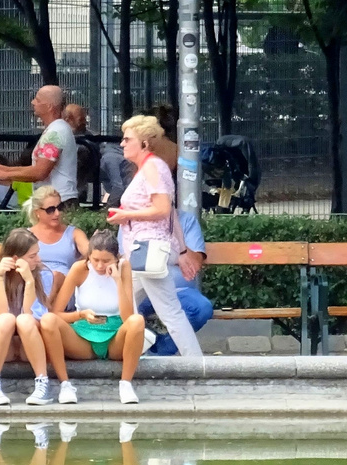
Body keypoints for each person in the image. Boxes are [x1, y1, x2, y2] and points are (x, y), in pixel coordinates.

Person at [107, 114, 203, 358]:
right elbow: (169, 213)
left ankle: (197, 365)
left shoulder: (152, 168)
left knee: (168, 312)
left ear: (144, 144)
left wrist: (126, 214)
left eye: (127, 139)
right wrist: (181, 251)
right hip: (143, 251)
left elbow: (161, 210)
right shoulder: (151, 168)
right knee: (118, 305)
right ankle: (130, 352)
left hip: (147, 251)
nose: (122, 143)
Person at [41, 229, 150, 405]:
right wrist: (80, 314)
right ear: (88, 257)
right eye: (95, 260)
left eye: (106, 261)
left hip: (114, 335)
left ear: (116, 258)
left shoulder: (124, 267)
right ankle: (65, 384)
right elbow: (55, 313)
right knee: (47, 321)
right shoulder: (80, 269)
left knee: (137, 321)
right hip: (83, 333)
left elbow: (128, 316)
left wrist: (117, 280)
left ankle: (126, 384)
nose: (99, 266)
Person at [0, 227, 58, 408]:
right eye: (32, 256)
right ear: (15, 259)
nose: (38, 260)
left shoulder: (44, 274)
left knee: (23, 319)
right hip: (1, 341)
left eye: (37, 254)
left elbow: (32, 314)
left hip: (28, 342)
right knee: (7, 319)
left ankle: (42, 383)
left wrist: (29, 281)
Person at [0, 85, 79, 206]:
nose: (33, 102)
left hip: (59, 202)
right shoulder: (57, 129)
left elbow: (40, 172)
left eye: (38, 100)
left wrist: (6, 174)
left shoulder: (55, 133)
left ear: (49, 106)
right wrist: (6, 169)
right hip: (57, 200)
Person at [137, 208, 213, 355]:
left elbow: (195, 262)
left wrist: (169, 244)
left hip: (180, 292)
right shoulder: (134, 217)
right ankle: (139, 353)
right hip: (143, 291)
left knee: (202, 307)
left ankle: (158, 354)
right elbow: (124, 257)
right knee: (125, 310)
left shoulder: (186, 220)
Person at [26, 186, 88, 283]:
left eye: (60, 207)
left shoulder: (74, 234)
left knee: (56, 276)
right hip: (35, 287)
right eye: (50, 210)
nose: (57, 213)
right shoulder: (26, 236)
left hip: (65, 289)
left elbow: (91, 253)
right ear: (37, 212)